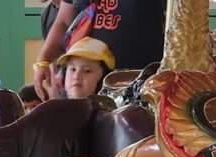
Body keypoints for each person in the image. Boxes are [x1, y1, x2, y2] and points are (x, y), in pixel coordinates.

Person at [33, 0, 165, 100]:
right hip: (84, 85)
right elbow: (63, 21)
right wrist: (43, 61)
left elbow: (174, 22)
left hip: (136, 85)